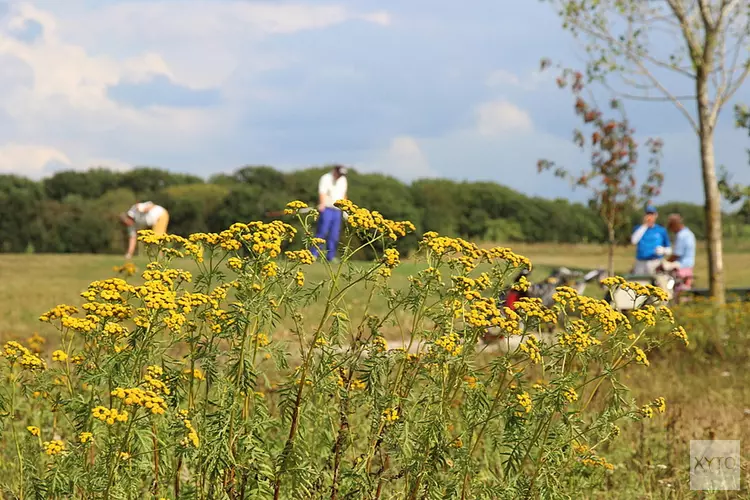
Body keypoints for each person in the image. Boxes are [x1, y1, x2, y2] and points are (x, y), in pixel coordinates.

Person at [312, 165, 348, 262]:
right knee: (322, 232)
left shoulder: (343, 180)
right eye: (339, 174)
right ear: (334, 171)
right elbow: (322, 192)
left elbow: (344, 194)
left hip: (337, 210)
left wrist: (345, 209)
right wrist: (322, 204)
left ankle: (330, 257)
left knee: (334, 234)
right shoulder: (326, 178)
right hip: (327, 208)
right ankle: (314, 254)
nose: (340, 176)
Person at [630, 204, 671, 275]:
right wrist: (645, 225)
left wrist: (663, 250)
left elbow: (669, 250)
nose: (649, 216)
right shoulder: (638, 228)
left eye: (652, 214)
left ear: (656, 215)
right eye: (647, 214)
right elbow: (634, 241)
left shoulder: (661, 230)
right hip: (641, 262)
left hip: (655, 262)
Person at [665, 213, 696, 294]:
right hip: (689, 267)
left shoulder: (681, 235)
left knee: (678, 290)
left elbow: (677, 254)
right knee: (686, 290)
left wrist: (665, 263)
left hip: (681, 267)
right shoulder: (689, 233)